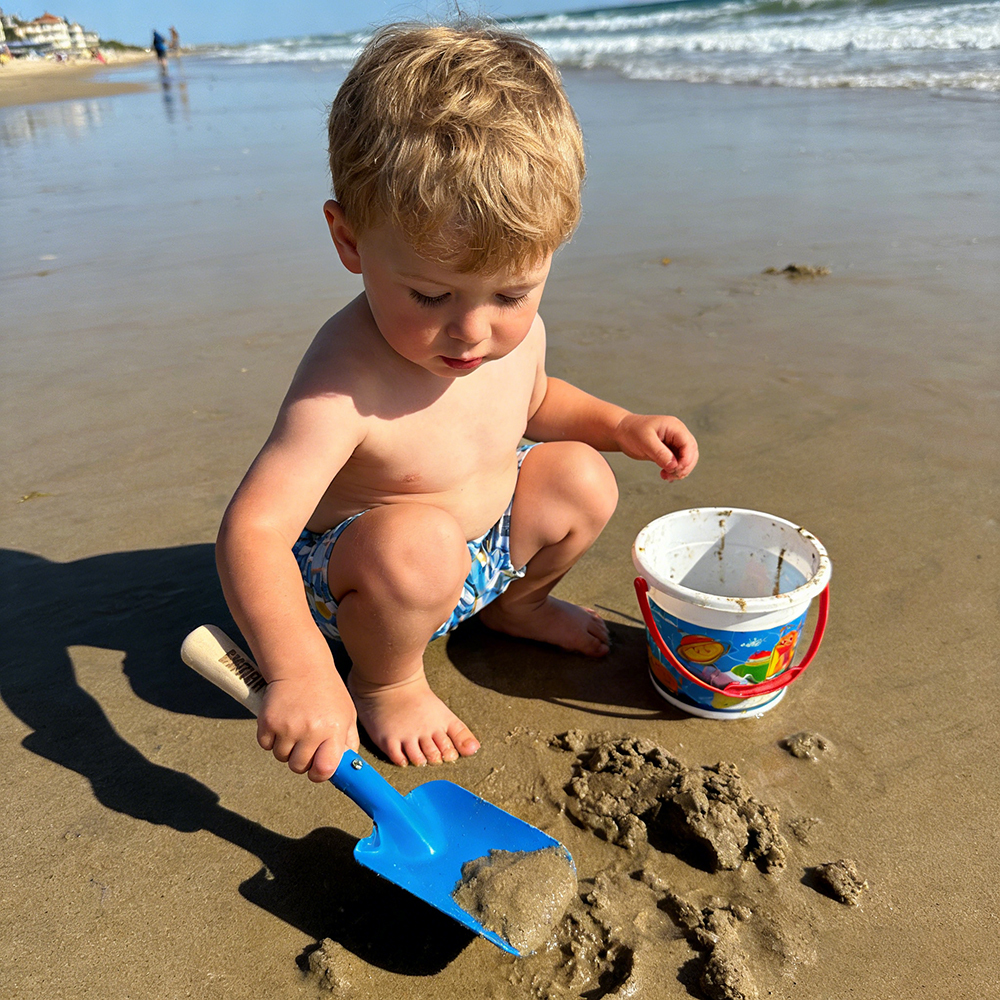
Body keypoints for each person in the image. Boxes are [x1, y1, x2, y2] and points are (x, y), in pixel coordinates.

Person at [216, 22, 699, 778]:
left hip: (477, 561)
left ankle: (518, 605)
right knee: (418, 544)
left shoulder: (514, 334)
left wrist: (619, 425)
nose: (473, 331)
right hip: (368, 587)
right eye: (431, 293)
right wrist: (301, 668)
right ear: (349, 241)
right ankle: (388, 681)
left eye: (512, 291)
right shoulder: (348, 378)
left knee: (580, 475)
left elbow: (536, 401)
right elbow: (252, 532)